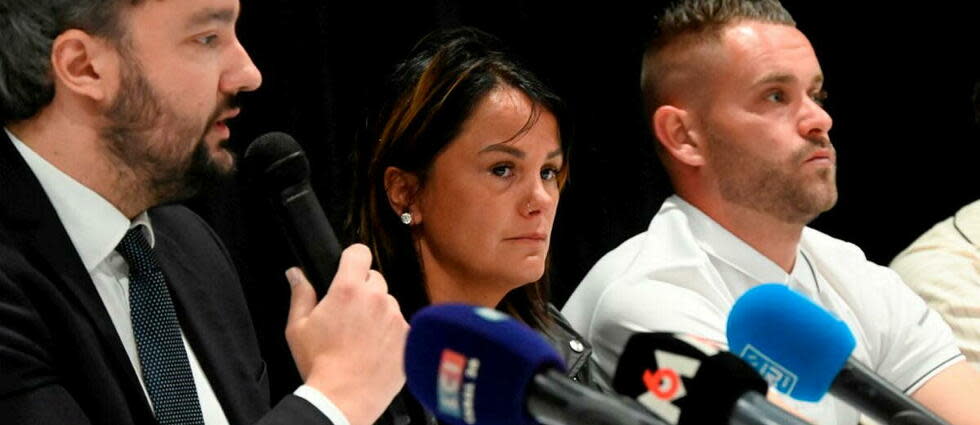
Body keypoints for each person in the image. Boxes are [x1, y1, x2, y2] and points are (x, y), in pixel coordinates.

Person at [560, 1, 980, 424]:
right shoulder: (646, 297)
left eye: (816, 94)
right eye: (776, 96)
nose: (820, 119)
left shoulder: (854, 274)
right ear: (683, 135)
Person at [0, 1, 407, 425]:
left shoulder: (191, 247)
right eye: (207, 38)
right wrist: (335, 399)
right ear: (84, 67)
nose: (249, 74)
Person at [352, 27, 600, 424]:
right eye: (503, 169)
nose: (540, 199)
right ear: (406, 192)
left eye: (549, 172)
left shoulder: (550, 346)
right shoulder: (356, 370)